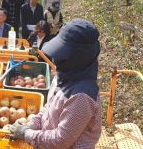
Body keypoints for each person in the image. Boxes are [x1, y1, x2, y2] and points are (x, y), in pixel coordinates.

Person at [9, 18, 102, 148]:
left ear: (79, 56)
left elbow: (60, 141)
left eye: (63, 53)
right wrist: (30, 125)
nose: (57, 58)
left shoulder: (82, 95)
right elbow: (49, 108)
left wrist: (27, 134)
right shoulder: (64, 74)